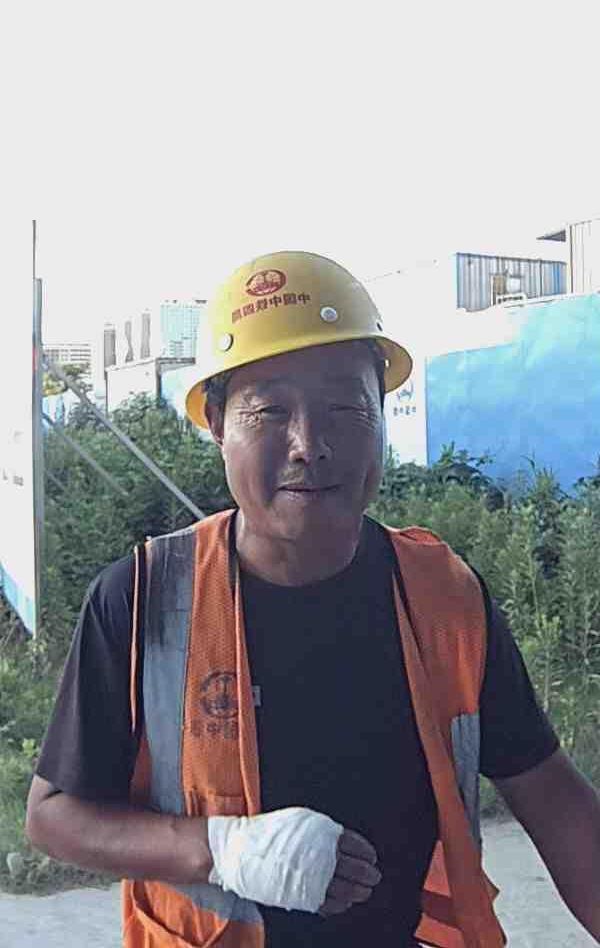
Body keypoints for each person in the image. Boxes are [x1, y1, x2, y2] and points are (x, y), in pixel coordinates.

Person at [26, 251, 600, 947]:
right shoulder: (147, 599)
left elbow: (556, 802)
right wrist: (223, 849)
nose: (310, 444)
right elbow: (53, 815)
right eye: (270, 410)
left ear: (381, 414)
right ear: (217, 422)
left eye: (344, 407)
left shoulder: (445, 599)